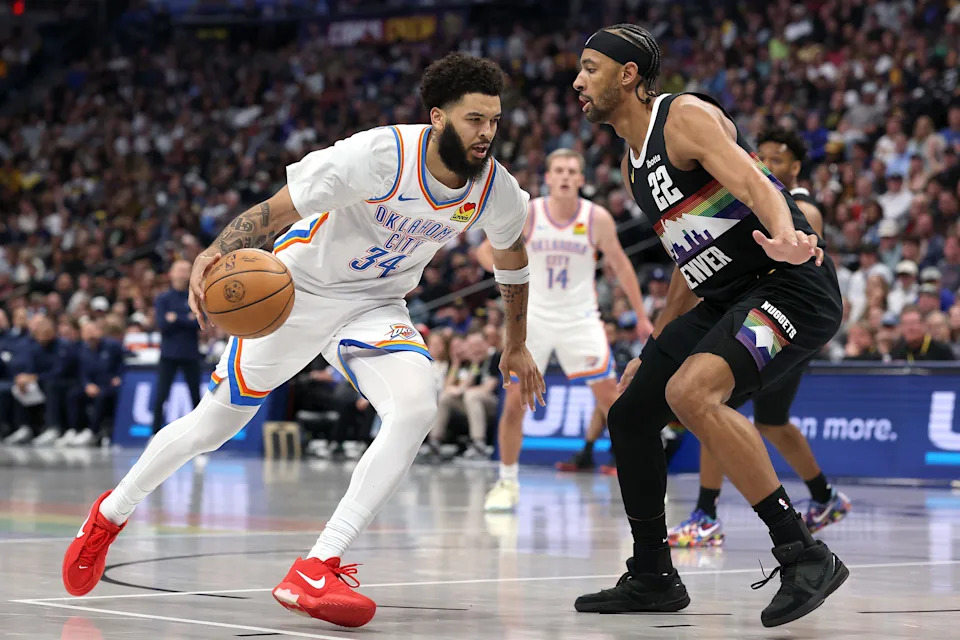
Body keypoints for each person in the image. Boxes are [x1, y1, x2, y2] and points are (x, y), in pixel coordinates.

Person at [62, 53, 544, 629]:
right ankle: (110, 515)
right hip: (296, 289)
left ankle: (318, 564)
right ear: (438, 117)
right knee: (213, 425)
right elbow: (275, 210)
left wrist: (515, 340)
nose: (487, 132)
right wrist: (215, 250)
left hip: (375, 304)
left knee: (417, 403)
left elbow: (512, 262)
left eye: (494, 120)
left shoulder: (498, 190)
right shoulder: (377, 156)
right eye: (474, 119)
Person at [571, 25, 847, 628]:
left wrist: (789, 235)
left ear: (627, 75)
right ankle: (652, 575)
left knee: (692, 392)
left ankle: (803, 554)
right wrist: (651, 346)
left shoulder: (684, 117)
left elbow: (756, 181)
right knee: (630, 412)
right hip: (725, 297)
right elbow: (688, 265)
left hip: (790, 287)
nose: (577, 81)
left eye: (591, 68)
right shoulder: (630, 165)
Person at [668, 128, 851, 548]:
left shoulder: (802, 208)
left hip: (782, 322)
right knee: (772, 421)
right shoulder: (750, 197)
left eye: (778, 159)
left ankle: (706, 514)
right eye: (761, 157)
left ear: (796, 167)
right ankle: (825, 497)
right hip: (767, 319)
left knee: (714, 404)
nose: (768, 165)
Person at [476, 148, 652, 511]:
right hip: (533, 318)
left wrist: (642, 315)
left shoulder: (596, 217)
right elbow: (484, 252)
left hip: (580, 318)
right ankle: (507, 482)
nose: (566, 176)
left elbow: (620, 265)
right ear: (548, 177)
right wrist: (510, 288)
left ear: (582, 179)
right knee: (513, 404)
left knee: (614, 403)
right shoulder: (530, 213)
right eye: (559, 170)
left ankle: (644, 480)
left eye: (572, 170)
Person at [151, 260, 202, 433]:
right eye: (179, 270)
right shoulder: (163, 298)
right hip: (168, 354)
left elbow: (199, 323)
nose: (182, 273)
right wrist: (185, 318)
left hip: (190, 354)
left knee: (196, 396)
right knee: (161, 396)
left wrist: (176, 318)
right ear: (171, 273)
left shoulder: (195, 296)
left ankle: (199, 436)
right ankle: (154, 434)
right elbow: (162, 324)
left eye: (186, 270)